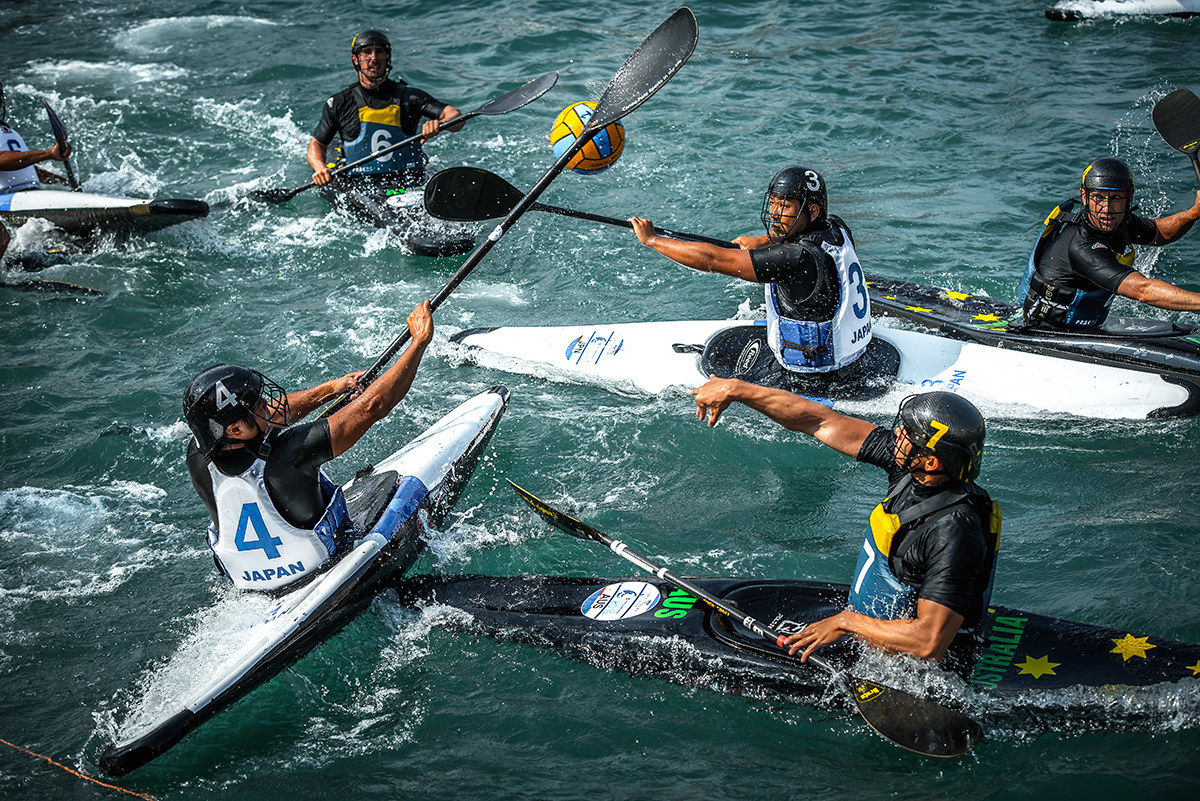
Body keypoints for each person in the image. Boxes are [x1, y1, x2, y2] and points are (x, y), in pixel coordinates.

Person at [691, 377, 999, 663]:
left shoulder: (953, 530)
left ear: (930, 461)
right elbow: (818, 420)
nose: (897, 434)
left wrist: (846, 622)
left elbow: (929, 643)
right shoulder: (911, 471)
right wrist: (736, 389)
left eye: (907, 434)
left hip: (923, 665)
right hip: (872, 624)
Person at [182, 301, 433, 593]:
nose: (268, 407)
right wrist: (418, 342)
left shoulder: (197, 454)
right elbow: (373, 406)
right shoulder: (290, 454)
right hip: (322, 567)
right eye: (257, 406)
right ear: (235, 429)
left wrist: (329, 390)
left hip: (252, 585)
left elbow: (268, 418)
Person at [628, 166, 872, 377]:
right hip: (854, 356)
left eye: (785, 206)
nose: (775, 213)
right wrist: (763, 241)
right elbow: (801, 243)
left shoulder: (794, 259)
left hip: (813, 374)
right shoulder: (837, 228)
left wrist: (652, 240)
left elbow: (712, 259)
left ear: (813, 211)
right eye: (773, 203)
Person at [1020, 156, 1200, 329]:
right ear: (1084, 196)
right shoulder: (1082, 246)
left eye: (1116, 198)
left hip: (1086, 327)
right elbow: (1143, 290)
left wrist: (1194, 213)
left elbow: (1160, 233)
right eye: (1098, 197)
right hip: (1049, 328)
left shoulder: (1119, 221)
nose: (1106, 209)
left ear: (1129, 197)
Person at [306, 30, 463, 189]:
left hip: (408, 178)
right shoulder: (340, 103)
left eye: (379, 52)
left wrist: (440, 123)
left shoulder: (410, 97)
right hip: (359, 182)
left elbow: (456, 116)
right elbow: (316, 145)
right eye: (366, 52)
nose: (373, 58)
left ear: (387, 57)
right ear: (355, 59)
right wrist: (320, 167)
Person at [0, 81, 72, 196]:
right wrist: (49, 154)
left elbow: (22, 166)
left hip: (28, 194)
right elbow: (2, 160)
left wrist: (65, 183)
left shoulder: (8, 132)